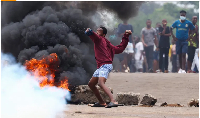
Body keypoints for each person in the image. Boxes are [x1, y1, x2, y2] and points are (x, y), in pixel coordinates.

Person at [85, 27, 132, 108]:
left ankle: (113, 101)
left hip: (105, 65)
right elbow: (120, 48)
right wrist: (126, 36)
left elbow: (92, 35)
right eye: (97, 30)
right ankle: (101, 102)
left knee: (100, 83)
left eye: (99, 30)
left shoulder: (99, 39)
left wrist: (89, 31)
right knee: (91, 84)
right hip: (101, 66)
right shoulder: (107, 44)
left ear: (103, 34)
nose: (97, 31)